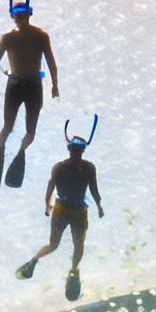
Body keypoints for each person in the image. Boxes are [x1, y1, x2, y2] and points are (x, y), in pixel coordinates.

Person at [0, 0, 58, 193]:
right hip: (15, 85)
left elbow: (51, 62)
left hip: (33, 86)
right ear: (13, 18)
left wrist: (54, 85)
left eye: (23, 15)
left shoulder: (41, 36)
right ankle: (1, 151)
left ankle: (20, 152)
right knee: (8, 126)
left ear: (30, 14)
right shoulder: (7, 38)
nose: (20, 19)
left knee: (31, 131)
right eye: (16, 16)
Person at [16, 117, 102, 301]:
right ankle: (71, 269)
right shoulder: (85, 167)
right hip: (73, 211)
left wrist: (47, 204)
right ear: (79, 150)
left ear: (73, 150)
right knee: (73, 245)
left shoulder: (63, 167)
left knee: (59, 245)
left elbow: (51, 186)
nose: (77, 153)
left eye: (77, 150)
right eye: (77, 150)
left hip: (64, 209)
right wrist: (99, 205)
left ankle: (38, 261)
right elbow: (92, 189)